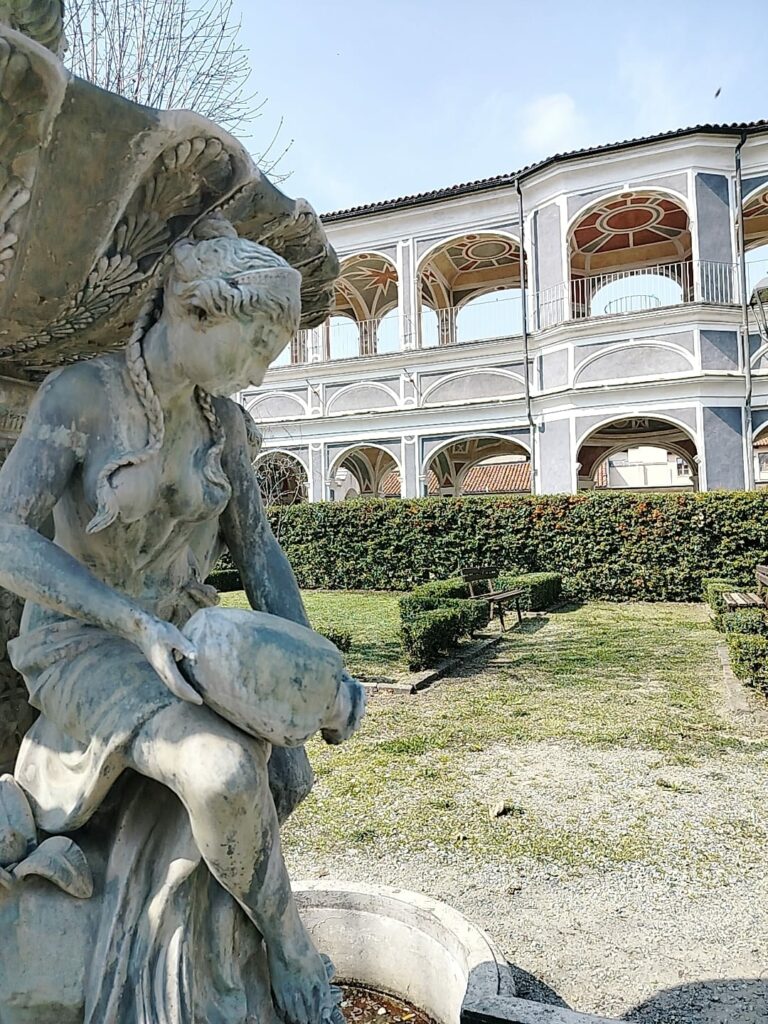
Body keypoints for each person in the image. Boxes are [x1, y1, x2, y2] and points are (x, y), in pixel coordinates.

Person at [0, 217, 339, 1024]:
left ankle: (199, 959)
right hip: (86, 642)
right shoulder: (81, 397)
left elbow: (260, 554)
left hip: (194, 643)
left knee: (263, 771)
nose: (256, 373)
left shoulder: (224, 425)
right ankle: (291, 945)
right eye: (252, 346)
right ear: (194, 312)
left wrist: (317, 667)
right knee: (220, 773)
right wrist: (128, 621)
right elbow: (4, 534)